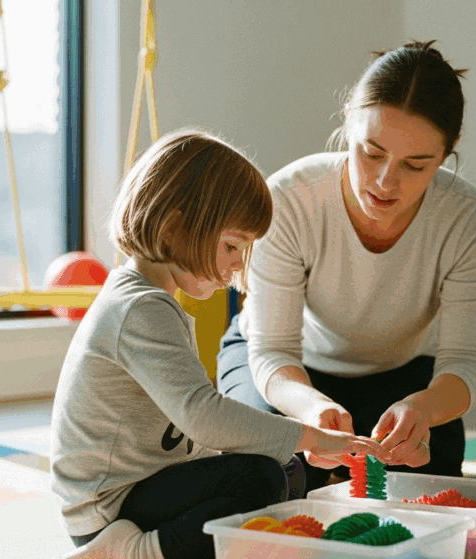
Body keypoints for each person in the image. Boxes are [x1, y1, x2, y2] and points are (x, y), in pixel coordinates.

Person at [50, 128, 389, 559]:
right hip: (109, 512)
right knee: (259, 478)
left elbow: (187, 434)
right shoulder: (141, 308)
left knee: (285, 469)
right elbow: (202, 417)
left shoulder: (150, 300)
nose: (236, 264)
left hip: (146, 485)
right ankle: (136, 553)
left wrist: (296, 446)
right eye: (231, 245)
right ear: (173, 229)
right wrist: (311, 437)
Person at [217, 40, 476, 494]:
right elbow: (272, 350)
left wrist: (424, 411)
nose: (387, 182)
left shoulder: (469, 220)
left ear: (449, 152)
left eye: (416, 164)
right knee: (269, 474)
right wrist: (310, 412)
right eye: (371, 153)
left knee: (435, 476)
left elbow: (466, 362)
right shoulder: (291, 199)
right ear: (348, 117)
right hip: (283, 369)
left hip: (399, 372)